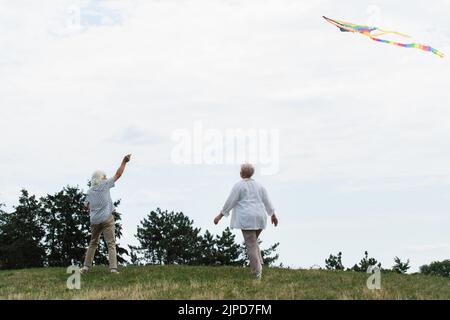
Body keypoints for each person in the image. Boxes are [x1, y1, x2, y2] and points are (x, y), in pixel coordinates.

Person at [214, 163, 278, 279]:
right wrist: (273, 215)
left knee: (251, 244)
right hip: (260, 218)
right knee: (253, 241)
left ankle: (257, 272)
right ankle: (260, 263)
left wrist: (220, 216)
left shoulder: (238, 186)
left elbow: (230, 201)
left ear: (242, 173)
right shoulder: (260, 186)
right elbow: (267, 201)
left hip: (247, 218)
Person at [80, 154, 131, 274]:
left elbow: (85, 207)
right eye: (104, 176)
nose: (106, 177)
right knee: (111, 243)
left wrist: (91, 208)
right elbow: (118, 174)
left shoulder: (89, 191)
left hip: (94, 221)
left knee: (93, 243)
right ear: (101, 178)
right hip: (107, 219)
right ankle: (113, 269)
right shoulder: (105, 184)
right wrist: (124, 162)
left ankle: (86, 268)